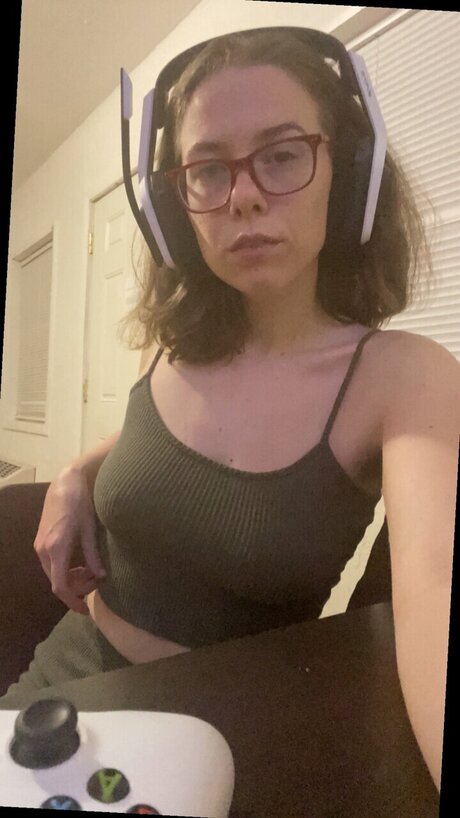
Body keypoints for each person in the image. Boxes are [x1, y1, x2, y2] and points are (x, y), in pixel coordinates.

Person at [2, 28, 459, 792]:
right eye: (208, 168)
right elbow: (156, 450)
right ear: (172, 205)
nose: (243, 194)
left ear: (348, 173)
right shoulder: (169, 346)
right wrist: (78, 471)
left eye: (281, 154)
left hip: (231, 728)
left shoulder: (405, 378)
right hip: (62, 685)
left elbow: (437, 592)